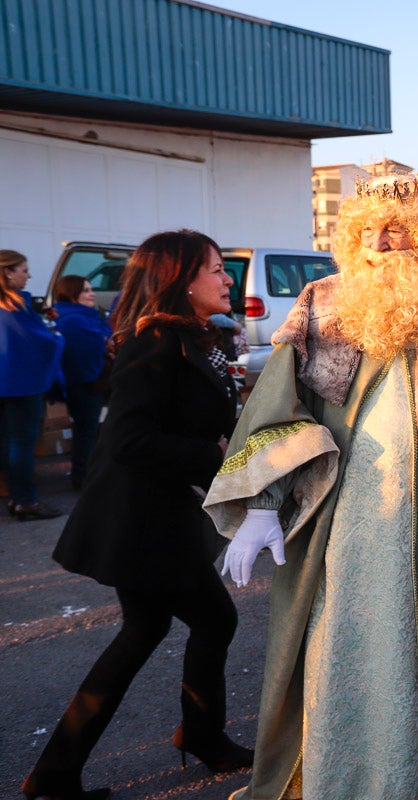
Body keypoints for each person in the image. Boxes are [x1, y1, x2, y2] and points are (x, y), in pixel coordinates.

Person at [204, 174, 418, 800]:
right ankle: (323, 775)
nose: (383, 240)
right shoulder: (322, 300)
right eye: (371, 226)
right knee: (330, 634)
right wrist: (260, 505)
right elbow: (273, 405)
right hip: (336, 514)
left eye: (399, 226)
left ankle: (405, 774)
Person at [25, 230, 248, 800]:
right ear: (181, 279)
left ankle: (59, 771)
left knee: (150, 629)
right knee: (208, 620)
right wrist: (213, 454)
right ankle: (199, 737)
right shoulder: (154, 345)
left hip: (154, 518)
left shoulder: (188, 339)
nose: (227, 279)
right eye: (216, 269)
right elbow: (127, 439)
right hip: (143, 523)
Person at [1, 250, 64, 520]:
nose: (28, 275)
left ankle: (16, 497)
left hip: (5, 385)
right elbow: (44, 342)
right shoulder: (16, 307)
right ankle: (25, 500)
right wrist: (56, 333)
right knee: (21, 445)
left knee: (6, 442)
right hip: (22, 385)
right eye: (24, 270)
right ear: (7, 272)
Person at [52, 276, 112, 489]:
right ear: (72, 293)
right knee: (86, 431)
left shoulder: (82, 316)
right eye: (86, 290)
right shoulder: (74, 320)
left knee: (88, 429)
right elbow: (92, 348)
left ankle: (86, 473)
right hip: (85, 382)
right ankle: (83, 476)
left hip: (89, 380)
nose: (92, 293)